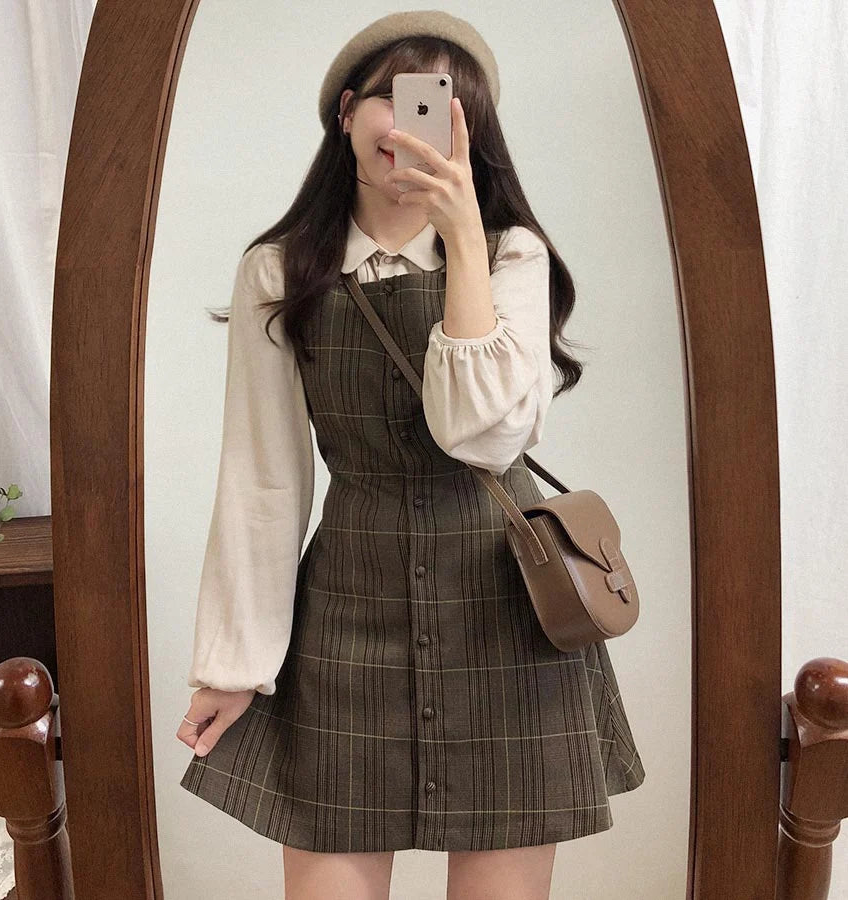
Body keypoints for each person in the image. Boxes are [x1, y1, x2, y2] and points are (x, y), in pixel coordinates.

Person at [175, 10, 645, 899]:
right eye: (399, 98)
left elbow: (483, 435)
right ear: (347, 112)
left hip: (510, 613)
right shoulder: (279, 271)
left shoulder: (511, 256)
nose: (415, 125)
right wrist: (232, 668)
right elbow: (263, 479)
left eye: (445, 107)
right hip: (347, 613)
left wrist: (462, 236)